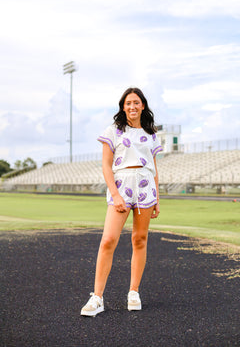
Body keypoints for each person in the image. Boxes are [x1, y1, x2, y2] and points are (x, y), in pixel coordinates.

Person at [80, 87, 163, 317]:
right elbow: (106, 165)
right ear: (123, 106)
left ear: (143, 105)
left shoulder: (151, 133)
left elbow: (153, 167)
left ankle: (133, 291)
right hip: (122, 185)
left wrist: (157, 197)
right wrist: (115, 194)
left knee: (139, 239)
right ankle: (97, 297)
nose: (132, 107)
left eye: (136, 102)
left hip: (146, 187)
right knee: (108, 240)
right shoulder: (114, 130)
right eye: (128, 103)